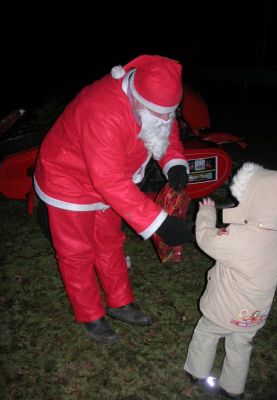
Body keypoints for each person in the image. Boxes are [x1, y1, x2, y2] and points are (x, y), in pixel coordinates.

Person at [34, 54, 193, 345]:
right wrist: (159, 223)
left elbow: (164, 131)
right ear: (135, 95)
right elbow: (108, 180)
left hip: (113, 179)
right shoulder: (101, 109)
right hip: (67, 179)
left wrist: (175, 163)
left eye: (168, 113)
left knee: (109, 241)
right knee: (77, 252)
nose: (164, 119)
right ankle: (89, 314)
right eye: (158, 113)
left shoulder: (154, 104)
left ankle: (120, 303)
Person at [184, 162, 277, 399]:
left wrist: (206, 213)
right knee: (240, 346)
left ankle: (197, 372)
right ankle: (233, 388)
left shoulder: (240, 237)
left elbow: (206, 239)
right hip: (254, 314)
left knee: (207, 333)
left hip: (225, 310)